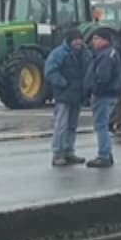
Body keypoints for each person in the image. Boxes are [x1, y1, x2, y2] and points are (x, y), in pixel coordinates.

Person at [44, 31, 88, 166]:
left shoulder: (85, 54)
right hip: (64, 95)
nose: (78, 42)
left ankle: (69, 151)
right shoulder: (59, 53)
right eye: (75, 40)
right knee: (61, 125)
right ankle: (58, 153)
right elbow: (50, 71)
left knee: (72, 126)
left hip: (77, 95)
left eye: (80, 39)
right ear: (69, 41)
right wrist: (63, 83)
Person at [85, 28, 121, 169]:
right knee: (104, 124)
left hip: (103, 94)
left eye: (96, 39)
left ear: (104, 40)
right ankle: (107, 153)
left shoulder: (105, 56)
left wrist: (95, 90)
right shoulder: (111, 53)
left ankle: (104, 155)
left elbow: (103, 77)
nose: (93, 42)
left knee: (101, 125)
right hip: (111, 93)